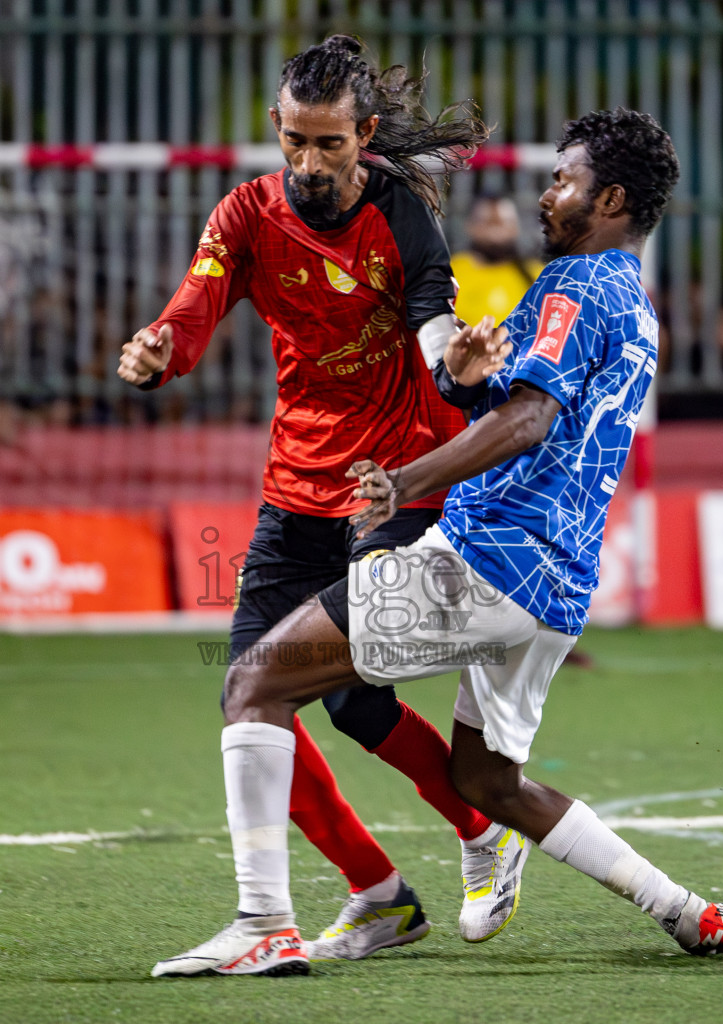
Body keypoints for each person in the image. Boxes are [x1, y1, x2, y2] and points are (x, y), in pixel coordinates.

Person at [152, 108, 723, 979]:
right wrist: (474, 381)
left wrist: (410, 479)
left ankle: (264, 925)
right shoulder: (635, 304)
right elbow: (529, 410)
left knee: (253, 681)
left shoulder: (576, 286)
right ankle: (689, 913)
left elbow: (530, 418)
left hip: (483, 565)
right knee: (489, 784)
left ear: (611, 198)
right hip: (557, 592)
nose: (547, 193)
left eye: (565, 180)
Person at [117, 35, 524, 962]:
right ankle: (379, 894)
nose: (308, 164)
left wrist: (454, 366)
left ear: (365, 136)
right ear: (276, 129)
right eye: (294, 142)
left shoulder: (400, 218)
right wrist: (156, 351)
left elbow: (430, 318)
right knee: (248, 697)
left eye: (329, 145)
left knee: (347, 695)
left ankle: (476, 827)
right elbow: (195, 305)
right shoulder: (247, 216)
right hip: (295, 484)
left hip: (393, 480)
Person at [450, 194, 543, 330]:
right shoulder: (450, 272)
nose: (495, 228)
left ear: (515, 227)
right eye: (487, 221)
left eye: (503, 221)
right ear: (470, 226)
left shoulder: (539, 276)